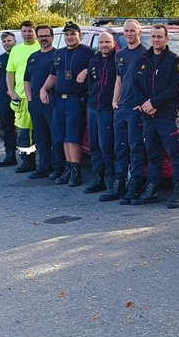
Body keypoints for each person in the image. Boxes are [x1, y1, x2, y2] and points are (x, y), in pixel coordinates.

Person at [129, 23, 179, 208]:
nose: (156, 40)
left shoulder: (174, 60)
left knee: (174, 154)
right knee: (152, 154)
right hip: (148, 116)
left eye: (160, 37)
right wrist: (145, 105)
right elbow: (135, 85)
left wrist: (154, 103)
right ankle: (152, 189)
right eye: (153, 37)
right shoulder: (142, 59)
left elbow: (175, 88)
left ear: (166, 39)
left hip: (166, 115)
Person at [41, 21, 94, 187]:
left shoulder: (88, 52)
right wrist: (43, 89)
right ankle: (68, 168)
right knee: (63, 137)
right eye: (67, 34)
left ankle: (76, 171)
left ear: (80, 35)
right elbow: (53, 76)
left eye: (73, 34)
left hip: (75, 100)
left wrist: (86, 71)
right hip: (58, 101)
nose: (70, 37)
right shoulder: (59, 53)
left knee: (73, 138)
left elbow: (97, 67)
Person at [110, 19, 147, 203]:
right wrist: (114, 101)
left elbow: (149, 84)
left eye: (132, 30)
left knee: (136, 148)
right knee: (120, 147)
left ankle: (135, 186)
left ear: (139, 31)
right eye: (126, 31)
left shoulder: (146, 54)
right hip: (121, 108)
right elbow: (119, 79)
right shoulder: (120, 54)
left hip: (135, 108)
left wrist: (142, 103)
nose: (129, 34)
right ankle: (119, 185)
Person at [84, 31, 118, 194]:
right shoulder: (93, 60)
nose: (104, 45)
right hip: (93, 108)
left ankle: (110, 178)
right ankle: (98, 177)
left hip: (108, 109)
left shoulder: (118, 60)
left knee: (107, 145)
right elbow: (91, 84)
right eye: (102, 42)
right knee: (94, 144)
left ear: (113, 43)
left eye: (107, 42)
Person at [24, 24, 58, 179]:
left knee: (55, 136)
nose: (44, 38)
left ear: (52, 37)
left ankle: (58, 168)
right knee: (40, 136)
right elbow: (27, 80)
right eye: (41, 36)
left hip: (53, 102)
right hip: (35, 104)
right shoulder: (33, 57)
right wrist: (30, 99)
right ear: (37, 38)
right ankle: (43, 167)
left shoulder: (58, 55)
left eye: (47, 35)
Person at [6, 22, 40, 173]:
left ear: (35, 32)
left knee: (41, 131)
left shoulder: (41, 47)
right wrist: (11, 91)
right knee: (24, 133)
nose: (27, 34)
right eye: (24, 31)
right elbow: (10, 72)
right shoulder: (16, 50)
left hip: (39, 97)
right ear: (21, 33)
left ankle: (45, 163)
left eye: (30, 31)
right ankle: (27, 162)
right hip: (21, 98)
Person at [0, 31, 18, 166]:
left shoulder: (20, 56)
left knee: (24, 128)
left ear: (15, 41)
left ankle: (28, 158)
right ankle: (10, 156)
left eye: (9, 41)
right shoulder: (0, 60)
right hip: (4, 98)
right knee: (7, 128)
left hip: (20, 97)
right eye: (4, 41)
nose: (7, 43)